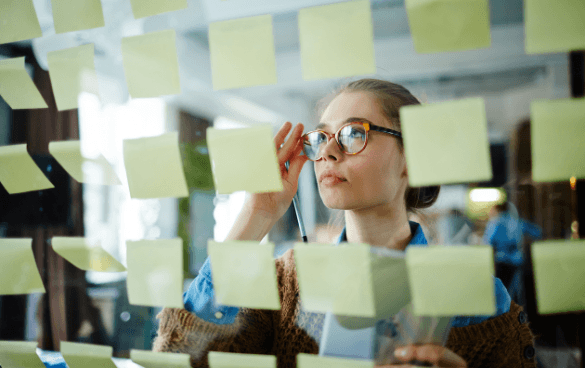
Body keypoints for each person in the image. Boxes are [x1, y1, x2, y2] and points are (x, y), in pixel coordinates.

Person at [152, 79, 536, 368]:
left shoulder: (477, 298)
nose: (328, 152)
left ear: (411, 157)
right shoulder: (282, 288)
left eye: (354, 134)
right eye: (321, 138)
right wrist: (257, 215)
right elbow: (179, 359)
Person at [483, 202, 542, 304]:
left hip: (501, 261)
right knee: (515, 289)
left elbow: (487, 242)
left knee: (501, 290)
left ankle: (504, 314)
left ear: (498, 210)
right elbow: (537, 232)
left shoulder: (495, 223)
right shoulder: (517, 221)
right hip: (517, 261)